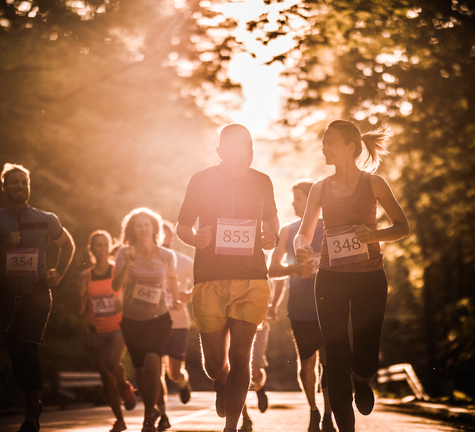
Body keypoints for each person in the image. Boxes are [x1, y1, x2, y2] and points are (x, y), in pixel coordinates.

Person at [294, 120, 410, 432]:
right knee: (334, 353)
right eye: (322, 141)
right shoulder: (320, 188)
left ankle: (362, 379)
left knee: (366, 355)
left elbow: (402, 227)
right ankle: (346, 428)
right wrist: (302, 248)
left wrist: (374, 235)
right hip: (330, 278)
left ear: (350, 147)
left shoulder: (374, 184)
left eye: (329, 142)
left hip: (369, 278)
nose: (323, 147)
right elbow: (303, 234)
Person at [176, 124, 280, 432]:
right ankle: (221, 384)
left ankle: (232, 426)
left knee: (240, 355)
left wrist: (270, 237)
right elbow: (182, 227)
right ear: (220, 153)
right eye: (235, 152)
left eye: (247, 151)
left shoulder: (263, 181)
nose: (243, 158)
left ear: (251, 151)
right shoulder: (201, 180)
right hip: (210, 278)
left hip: (252, 279)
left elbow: (273, 224)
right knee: (214, 366)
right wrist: (196, 238)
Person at [0, 163, 75, 432]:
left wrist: (60, 272)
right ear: (4, 187)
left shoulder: (46, 218)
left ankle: (31, 418)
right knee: (17, 358)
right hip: (9, 298)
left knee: (29, 350)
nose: (20, 187)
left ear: (29, 187)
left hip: (38, 294)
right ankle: (34, 402)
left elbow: (67, 244)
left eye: (24, 182)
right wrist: (4, 247)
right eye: (14, 183)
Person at [268, 179, 335, 432]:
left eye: (296, 198)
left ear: (310, 201)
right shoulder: (288, 230)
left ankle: (329, 413)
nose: (292, 203)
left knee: (329, 361)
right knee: (307, 362)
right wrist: (297, 268)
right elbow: (271, 269)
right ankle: (313, 410)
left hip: (330, 304)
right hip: (300, 307)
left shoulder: (331, 227)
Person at [112, 208, 181, 432]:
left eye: (147, 225)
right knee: (141, 371)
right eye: (138, 225)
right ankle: (154, 408)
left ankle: (148, 418)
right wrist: (129, 263)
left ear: (154, 229)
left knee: (154, 362)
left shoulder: (166, 255)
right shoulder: (124, 253)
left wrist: (176, 300)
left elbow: (172, 279)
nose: (142, 229)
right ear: (132, 229)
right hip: (132, 320)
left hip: (159, 317)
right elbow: (115, 286)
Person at [77, 230, 137, 432]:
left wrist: (123, 304)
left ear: (109, 247)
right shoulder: (85, 275)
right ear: (91, 249)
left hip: (118, 328)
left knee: (112, 362)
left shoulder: (116, 272)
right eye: (97, 245)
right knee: (105, 376)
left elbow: (130, 295)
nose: (101, 249)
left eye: (105, 245)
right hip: (96, 330)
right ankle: (119, 420)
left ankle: (125, 385)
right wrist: (81, 294)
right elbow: (80, 309)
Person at [154, 221, 195, 431]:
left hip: (178, 323)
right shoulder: (148, 261)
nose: (160, 237)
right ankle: (163, 415)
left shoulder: (183, 261)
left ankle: (182, 382)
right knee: (156, 371)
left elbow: (201, 283)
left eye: (164, 234)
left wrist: (186, 296)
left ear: (169, 238)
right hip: (153, 321)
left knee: (173, 373)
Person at [237, 313, 271, 432]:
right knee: (236, 373)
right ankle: (245, 418)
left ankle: (259, 388)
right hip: (234, 322)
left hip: (257, 320)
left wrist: (272, 307)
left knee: (255, 368)